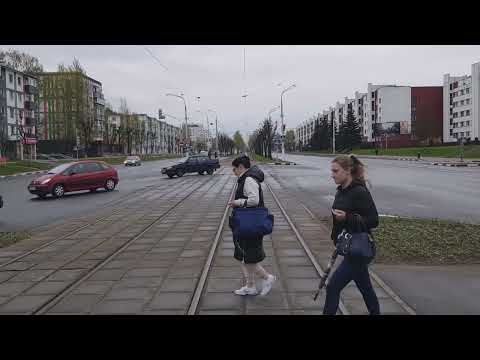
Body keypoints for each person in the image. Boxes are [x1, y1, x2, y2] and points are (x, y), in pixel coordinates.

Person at [323, 154, 380, 315]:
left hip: (359, 250)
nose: (332, 174)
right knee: (365, 288)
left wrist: (347, 217)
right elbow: (338, 219)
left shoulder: (359, 191)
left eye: (335, 171)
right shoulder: (341, 191)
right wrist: (336, 237)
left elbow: (374, 220)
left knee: (333, 287)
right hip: (349, 247)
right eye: (332, 171)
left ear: (347, 171)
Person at [228, 155, 276, 296]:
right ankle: (250, 286)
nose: (233, 171)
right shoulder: (247, 178)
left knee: (248, 257)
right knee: (243, 257)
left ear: (241, 167)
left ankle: (268, 278)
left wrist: (237, 202)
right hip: (246, 223)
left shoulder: (248, 179)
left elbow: (254, 200)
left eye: (234, 168)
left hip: (249, 224)